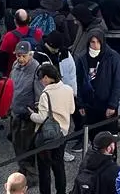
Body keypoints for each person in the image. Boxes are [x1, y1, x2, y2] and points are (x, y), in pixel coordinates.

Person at [30, 63, 74, 194]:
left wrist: (31, 114)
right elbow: (72, 109)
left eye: (42, 78)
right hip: (63, 132)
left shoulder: (46, 95)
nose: (41, 81)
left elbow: (42, 118)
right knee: (59, 166)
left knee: (44, 169)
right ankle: (61, 191)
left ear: (47, 78)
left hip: (47, 136)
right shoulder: (68, 89)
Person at [9, 41, 43, 188]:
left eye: (23, 56)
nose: (20, 59)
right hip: (15, 113)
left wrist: (34, 112)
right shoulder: (15, 66)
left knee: (27, 147)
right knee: (17, 144)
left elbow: (39, 94)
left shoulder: (36, 69)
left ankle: (31, 176)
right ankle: (23, 169)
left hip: (28, 116)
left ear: (30, 55)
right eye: (18, 55)